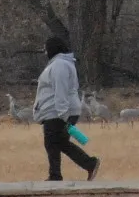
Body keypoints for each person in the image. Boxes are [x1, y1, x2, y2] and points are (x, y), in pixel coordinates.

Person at [34, 37, 99, 183]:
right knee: (60, 143)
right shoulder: (61, 64)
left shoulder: (59, 65)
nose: (45, 52)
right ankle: (89, 164)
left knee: (51, 142)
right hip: (59, 111)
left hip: (57, 112)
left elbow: (61, 91)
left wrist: (63, 114)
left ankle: (55, 176)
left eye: (46, 48)